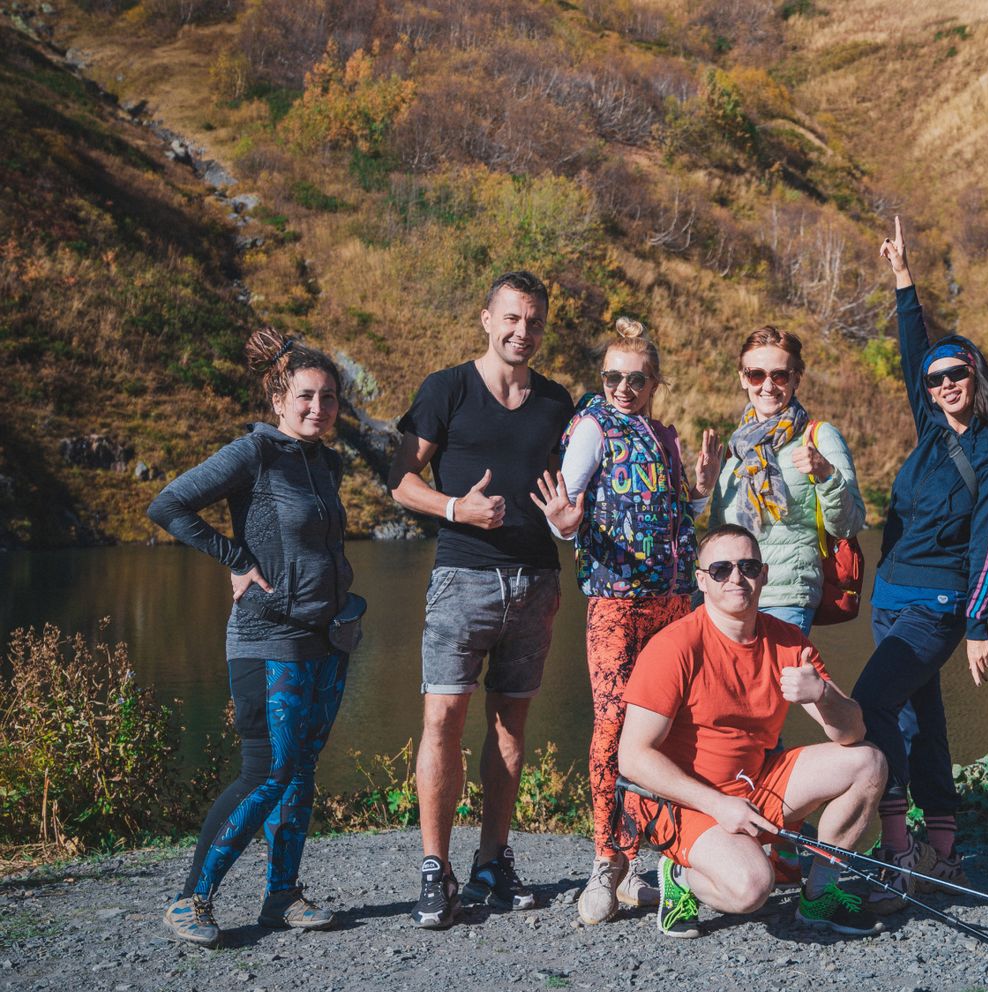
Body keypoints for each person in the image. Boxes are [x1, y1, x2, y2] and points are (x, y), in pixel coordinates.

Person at [150, 328, 354, 947]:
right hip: (266, 639)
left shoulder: (325, 462)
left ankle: (282, 896)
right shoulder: (254, 453)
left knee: (301, 771)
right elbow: (169, 505)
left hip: (328, 638)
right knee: (267, 769)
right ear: (278, 399)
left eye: (327, 397)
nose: (317, 408)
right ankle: (191, 899)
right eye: (305, 396)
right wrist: (234, 558)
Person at [389, 270, 574, 929]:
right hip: (463, 577)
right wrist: (453, 508)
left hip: (537, 581)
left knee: (511, 726)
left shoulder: (559, 403)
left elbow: (574, 488)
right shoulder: (446, 389)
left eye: (534, 322)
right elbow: (398, 479)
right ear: (486, 319)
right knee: (442, 719)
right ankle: (435, 869)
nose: (522, 331)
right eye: (512, 318)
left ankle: (492, 862)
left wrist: (572, 519)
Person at [851, 217, 988, 915]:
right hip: (890, 596)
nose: (944, 382)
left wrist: (978, 625)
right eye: (935, 378)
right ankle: (942, 855)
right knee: (920, 719)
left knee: (872, 704)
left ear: (973, 375)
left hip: (939, 606)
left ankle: (898, 853)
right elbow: (912, 345)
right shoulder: (928, 431)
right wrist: (902, 280)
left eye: (955, 373)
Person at [529, 318, 719, 926]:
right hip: (616, 602)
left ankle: (655, 859)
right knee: (613, 724)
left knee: (667, 729)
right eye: (612, 377)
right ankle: (607, 861)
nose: (622, 388)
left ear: (654, 382)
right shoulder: (591, 427)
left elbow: (674, 519)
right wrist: (561, 522)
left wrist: (701, 493)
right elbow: (569, 513)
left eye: (635, 379)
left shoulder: (662, 435)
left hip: (672, 602)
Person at [617, 524, 887, 939]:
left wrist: (822, 696)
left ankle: (821, 895)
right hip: (681, 800)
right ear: (702, 580)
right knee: (750, 890)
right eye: (721, 569)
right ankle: (681, 874)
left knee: (868, 762)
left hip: (752, 785)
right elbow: (633, 759)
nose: (736, 579)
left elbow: (852, 732)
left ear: (763, 575)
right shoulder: (674, 647)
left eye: (747, 566)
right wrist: (717, 805)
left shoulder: (789, 643)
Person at [709, 325, 865, 635]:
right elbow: (718, 530)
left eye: (779, 375)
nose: (768, 386)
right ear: (743, 378)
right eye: (756, 375)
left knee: (774, 684)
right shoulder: (736, 446)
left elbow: (849, 524)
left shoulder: (820, 436)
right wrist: (702, 489)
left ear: (795, 379)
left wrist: (826, 475)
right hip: (730, 595)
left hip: (786, 597)